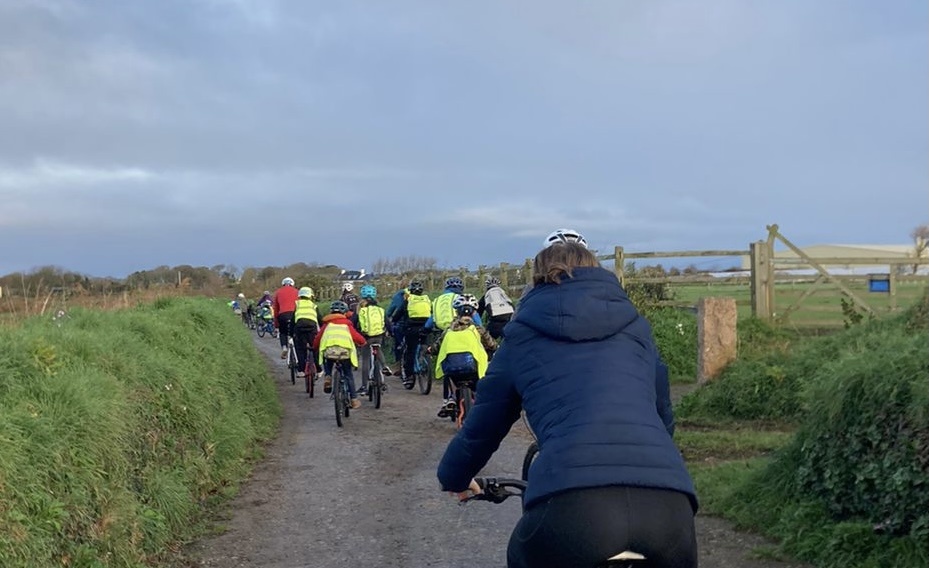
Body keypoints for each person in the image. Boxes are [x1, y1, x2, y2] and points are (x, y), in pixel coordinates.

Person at [436, 233, 698, 568]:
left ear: (537, 280)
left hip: (576, 509)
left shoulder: (523, 333)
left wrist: (454, 477)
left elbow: (483, 426)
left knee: (522, 554)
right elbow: (663, 416)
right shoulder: (636, 328)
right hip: (668, 509)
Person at [430, 293, 496, 418]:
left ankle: (449, 399)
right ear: (474, 313)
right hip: (473, 367)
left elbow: (437, 347)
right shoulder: (478, 329)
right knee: (481, 380)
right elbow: (491, 344)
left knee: (447, 374)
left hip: (453, 368)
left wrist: (430, 350)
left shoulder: (448, 330)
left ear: (456, 312)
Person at [312, 300, 367, 409]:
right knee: (348, 374)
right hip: (344, 353)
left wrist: (315, 347)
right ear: (345, 313)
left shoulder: (327, 324)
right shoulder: (347, 324)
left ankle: (328, 376)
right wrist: (363, 343)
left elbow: (318, 338)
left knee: (328, 359)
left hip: (330, 351)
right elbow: (356, 337)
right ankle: (354, 400)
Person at [354, 284, 391, 396]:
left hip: (366, 337)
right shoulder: (380, 310)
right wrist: (391, 333)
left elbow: (353, 323)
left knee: (365, 360)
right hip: (379, 336)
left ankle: (364, 386)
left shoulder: (360, 310)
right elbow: (388, 323)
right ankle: (384, 366)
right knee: (378, 349)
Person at [392, 280, 431, 386]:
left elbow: (398, 314)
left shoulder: (408, 300)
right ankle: (425, 361)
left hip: (411, 328)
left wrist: (394, 320)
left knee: (410, 351)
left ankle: (409, 376)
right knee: (424, 344)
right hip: (425, 328)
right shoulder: (427, 300)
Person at [293, 286, 323, 378]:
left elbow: (293, 319)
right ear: (310, 296)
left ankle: (301, 370)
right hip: (312, 328)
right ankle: (319, 370)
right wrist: (322, 330)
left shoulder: (297, 304)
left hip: (300, 328)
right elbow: (320, 319)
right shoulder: (313, 305)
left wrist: (291, 333)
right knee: (315, 348)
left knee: (300, 349)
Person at [272, 277, 299, 359]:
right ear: (292, 284)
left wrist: (276, 324)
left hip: (282, 315)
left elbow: (276, 309)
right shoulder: (297, 291)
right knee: (295, 332)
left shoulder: (278, 292)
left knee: (283, 332)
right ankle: (297, 350)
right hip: (294, 314)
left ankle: (284, 347)